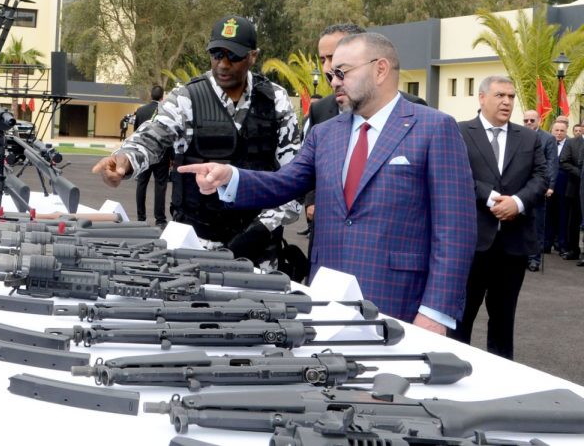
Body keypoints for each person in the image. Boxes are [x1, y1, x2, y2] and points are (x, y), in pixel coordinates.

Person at [177, 32, 476, 333]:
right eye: (331, 75)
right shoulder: (325, 133)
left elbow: (455, 230)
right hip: (328, 297)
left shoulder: (434, 128)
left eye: (342, 73)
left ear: (380, 70)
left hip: (398, 300)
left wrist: (436, 311)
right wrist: (232, 177)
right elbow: (285, 182)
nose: (333, 82)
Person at [92, 15, 301, 265]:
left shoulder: (275, 100)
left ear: (252, 56)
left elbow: (295, 178)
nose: (223, 64)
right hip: (195, 246)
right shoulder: (187, 98)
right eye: (216, 54)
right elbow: (152, 136)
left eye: (233, 56)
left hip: (259, 249)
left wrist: (261, 229)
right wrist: (124, 160)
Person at [300, 24, 427, 240]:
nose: (328, 69)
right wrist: (311, 201)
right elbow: (304, 169)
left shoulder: (418, 114)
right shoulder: (320, 111)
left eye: (336, 60)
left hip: (384, 242)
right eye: (323, 60)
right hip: (329, 241)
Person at [451, 76, 547, 360]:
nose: (507, 102)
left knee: (504, 321)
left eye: (511, 97)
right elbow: (455, 174)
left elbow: (541, 177)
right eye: (500, 95)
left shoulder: (529, 137)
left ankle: (502, 375)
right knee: (461, 318)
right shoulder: (459, 132)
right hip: (471, 243)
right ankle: (455, 370)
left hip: (513, 245)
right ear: (482, 98)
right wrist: (490, 197)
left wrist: (517, 202)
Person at [522, 110, 557, 271]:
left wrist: (549, 186)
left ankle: (534, 258)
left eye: (532, 120)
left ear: (539, 121)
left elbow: (551, 163)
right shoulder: (520, 135)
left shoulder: (548, 138)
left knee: (537, 225)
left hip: (538, 187)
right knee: (521, 225)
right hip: (521, 187)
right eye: (526, 120)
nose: (529, 123)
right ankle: (523, 256)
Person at [133, 85, 170, 229]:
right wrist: (172, 156)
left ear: (150, 95)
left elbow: (136, 133)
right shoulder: (165, 112)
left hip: (144, 154)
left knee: (141, 184)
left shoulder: (141, 111)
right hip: (161, 154)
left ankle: (140, 218)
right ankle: (160, 219)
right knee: (160, 186)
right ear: (162, 96)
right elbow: (169, 134)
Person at [545, 121, 569, 255]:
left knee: (562, 216)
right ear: (552, 131)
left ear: (566, 132)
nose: (559, 133)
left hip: (564, 187)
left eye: (562, 130)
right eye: (556, 130)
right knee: (547, 216)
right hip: (547, 185)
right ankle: (546, 244)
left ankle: (561, 244)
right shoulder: (546, 143)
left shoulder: (570, 144)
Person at [559, 126, 583, 260]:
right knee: (573, 221)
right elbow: (564, 161)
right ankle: (573, 250)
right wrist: (581, 174)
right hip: (575, 188)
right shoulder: (572, 142)